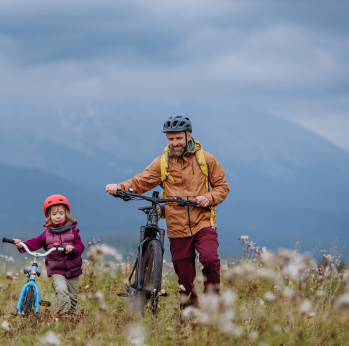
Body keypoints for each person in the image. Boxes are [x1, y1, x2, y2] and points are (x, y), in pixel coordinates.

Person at [105, 116, 229, 309]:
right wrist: (119, 187)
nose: (175, 143)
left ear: (188, 136)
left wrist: (209, 198)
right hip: (176, 226)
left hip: (203, 220)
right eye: (171, 139)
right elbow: (140, 182)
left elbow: (222, 186)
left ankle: (213, 305)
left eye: (178, 138)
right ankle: (190, 316)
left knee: (210, 259)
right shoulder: (162, 163)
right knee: (184, 277)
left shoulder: (206, 160)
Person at [13, 195, 85, 315]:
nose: (58, 216)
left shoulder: (72, 231)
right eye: (54, 214)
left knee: (72, 298)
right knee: (62, 290)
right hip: (57, 270)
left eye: (61, 213)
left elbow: (80, 246)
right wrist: (21, 245)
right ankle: (63, 317)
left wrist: (73, 249)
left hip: (73, 269)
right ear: (49, 216)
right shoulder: (47, 233)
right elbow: (35, 242)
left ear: (67, 213)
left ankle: (72, 319)